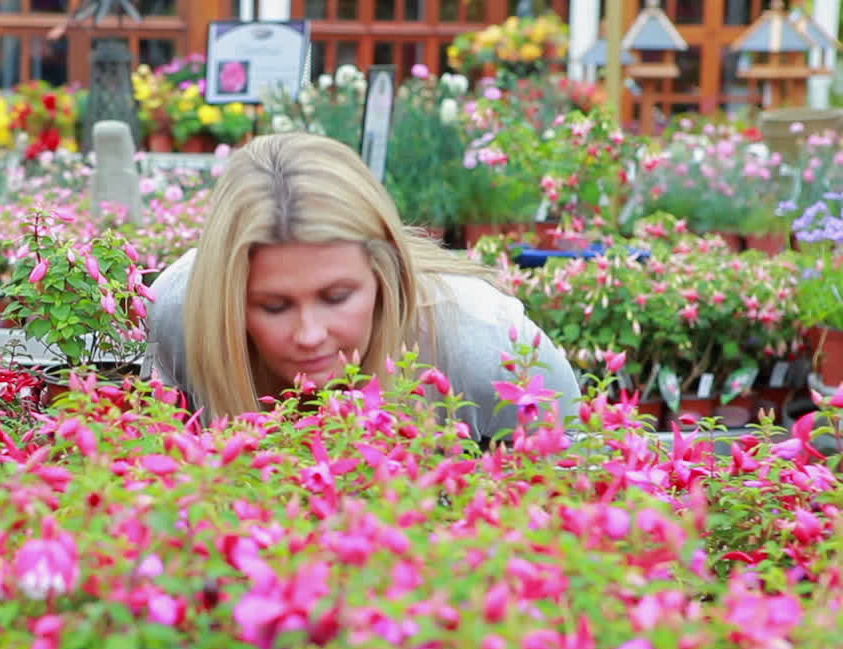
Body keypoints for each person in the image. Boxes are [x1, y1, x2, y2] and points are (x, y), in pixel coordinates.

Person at [144, 133, 580, 440]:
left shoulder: (487, 343)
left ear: (384, 271)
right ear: (229, 300)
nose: (310, 334)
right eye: (274, 306)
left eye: (336, 297)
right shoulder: (180, 311)